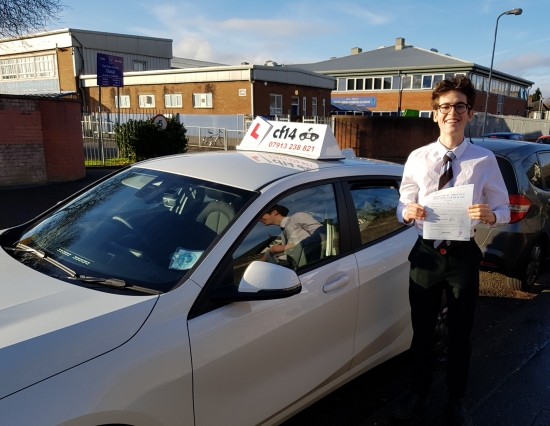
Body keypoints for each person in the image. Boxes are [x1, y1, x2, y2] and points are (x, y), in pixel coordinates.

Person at [391, 76, 510, 426]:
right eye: (445, 107)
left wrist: (492, 215)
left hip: (461, 256)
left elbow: (504, 209)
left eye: (459, 106)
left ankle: (457, 400)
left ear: (470, 113)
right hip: (426, 255)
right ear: (434, 114)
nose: (452, 113)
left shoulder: (485, 160)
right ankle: (419, 392)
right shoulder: (417, 157)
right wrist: (406, 212)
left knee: (461, 336)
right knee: (422, 332)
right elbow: (402, 203)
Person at [259, 204, 323, 267]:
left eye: (261, 216)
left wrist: (286, 247)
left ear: (275, 212)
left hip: (317, 263)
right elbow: (294, 252)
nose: (260, 220)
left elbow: (322, 233)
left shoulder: (297, 217)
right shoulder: (283, 234)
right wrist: (274, 257)